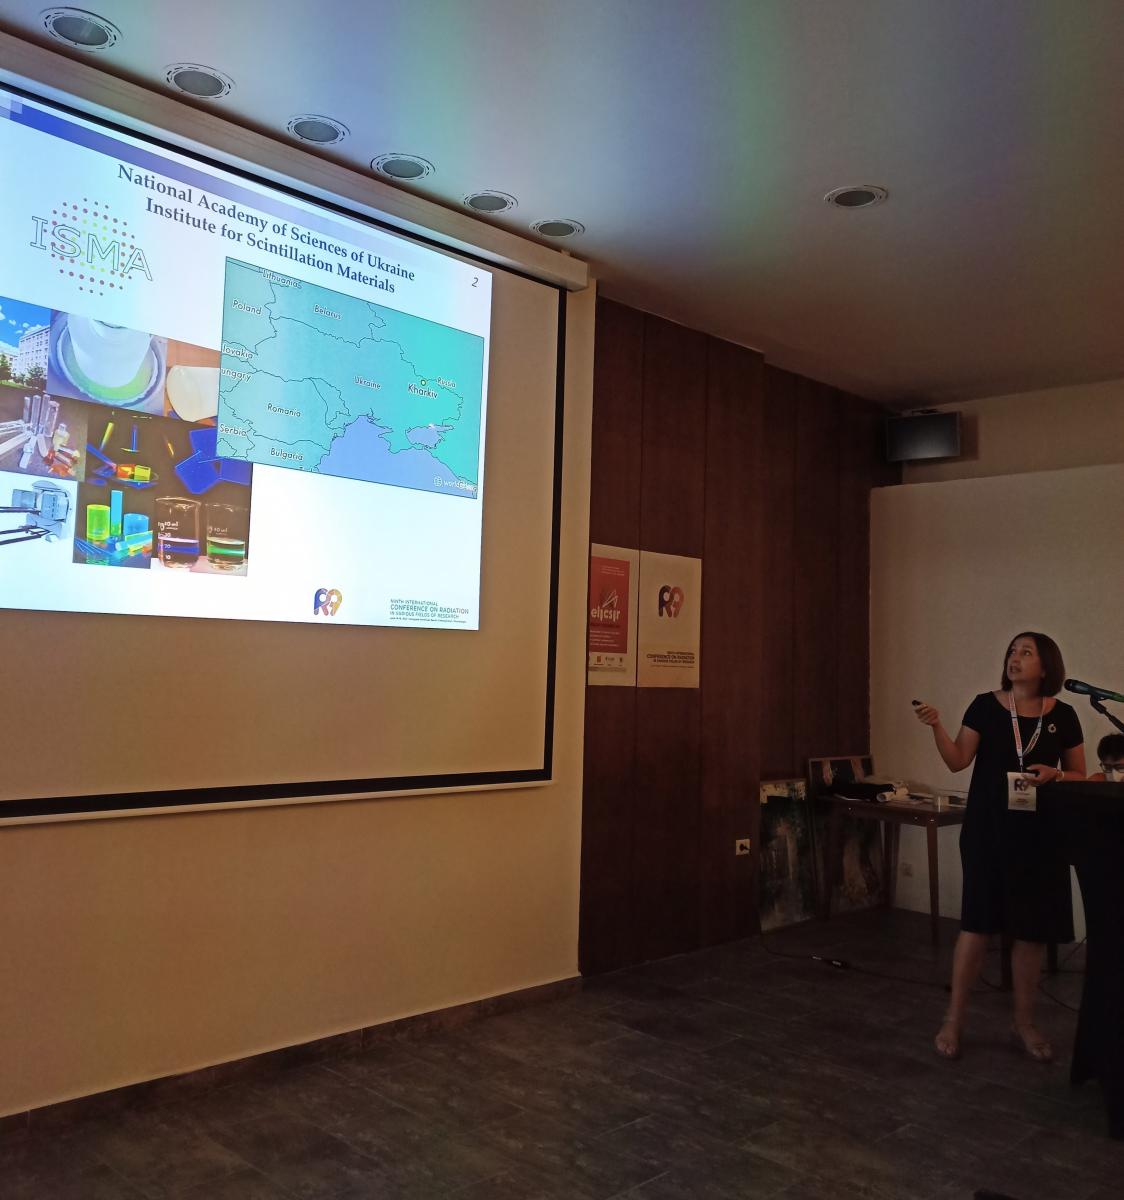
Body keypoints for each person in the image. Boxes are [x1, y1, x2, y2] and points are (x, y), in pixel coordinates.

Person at [914, 632, 1086, 1062]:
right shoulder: (984, 706)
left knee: (1030, 933)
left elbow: (1080, 774)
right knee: (976, 926)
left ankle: (1023, 1023)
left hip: (1040, 837)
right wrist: (936, 725)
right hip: (988, 832)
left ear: (1045, 666)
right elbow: (957, 760)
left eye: (1026, 652)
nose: (1015, 657)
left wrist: (1056, 775)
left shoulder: (1064, 715)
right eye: (1012, 650)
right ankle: (954, 1019)